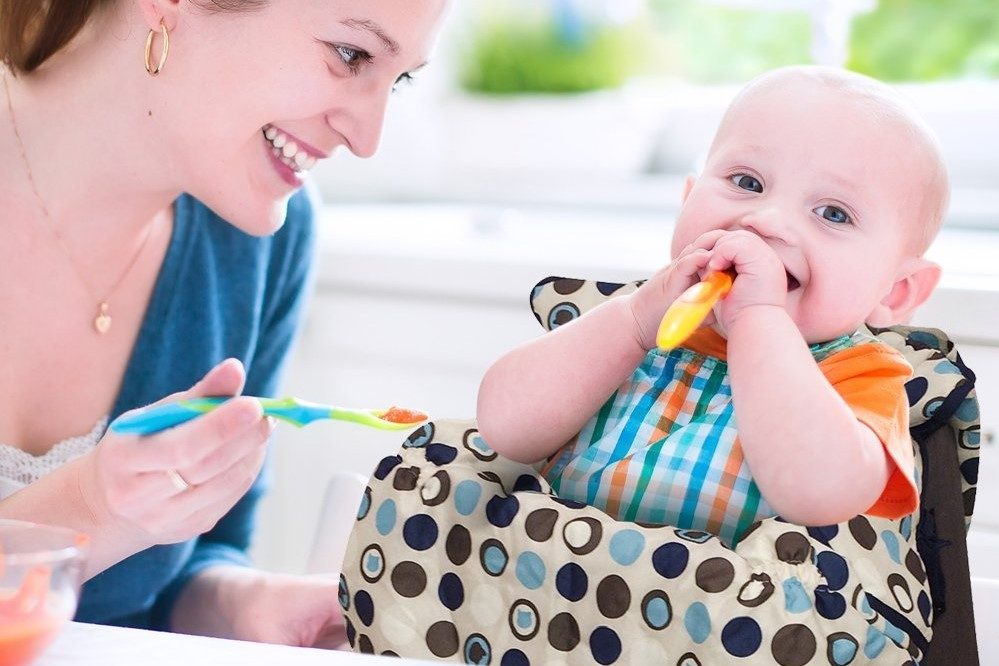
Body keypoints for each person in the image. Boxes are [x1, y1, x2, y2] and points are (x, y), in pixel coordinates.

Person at [0, 0, 448, 646]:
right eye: (350, 55)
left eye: (398, 79)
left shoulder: (260, 241)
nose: (368, 138)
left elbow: (185, 570)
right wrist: (93, 509)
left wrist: (245, 606)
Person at [477, 66, 949, 547]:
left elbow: (821, 493)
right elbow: (504, 429)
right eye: (747, 181)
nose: (766, 221)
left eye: (833, 213)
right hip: (547, 596)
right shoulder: (633, 323)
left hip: (726, 615)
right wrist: (636, 322)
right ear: (687, 202)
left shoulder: (862, 375)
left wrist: (757, 320)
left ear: (897, 291)